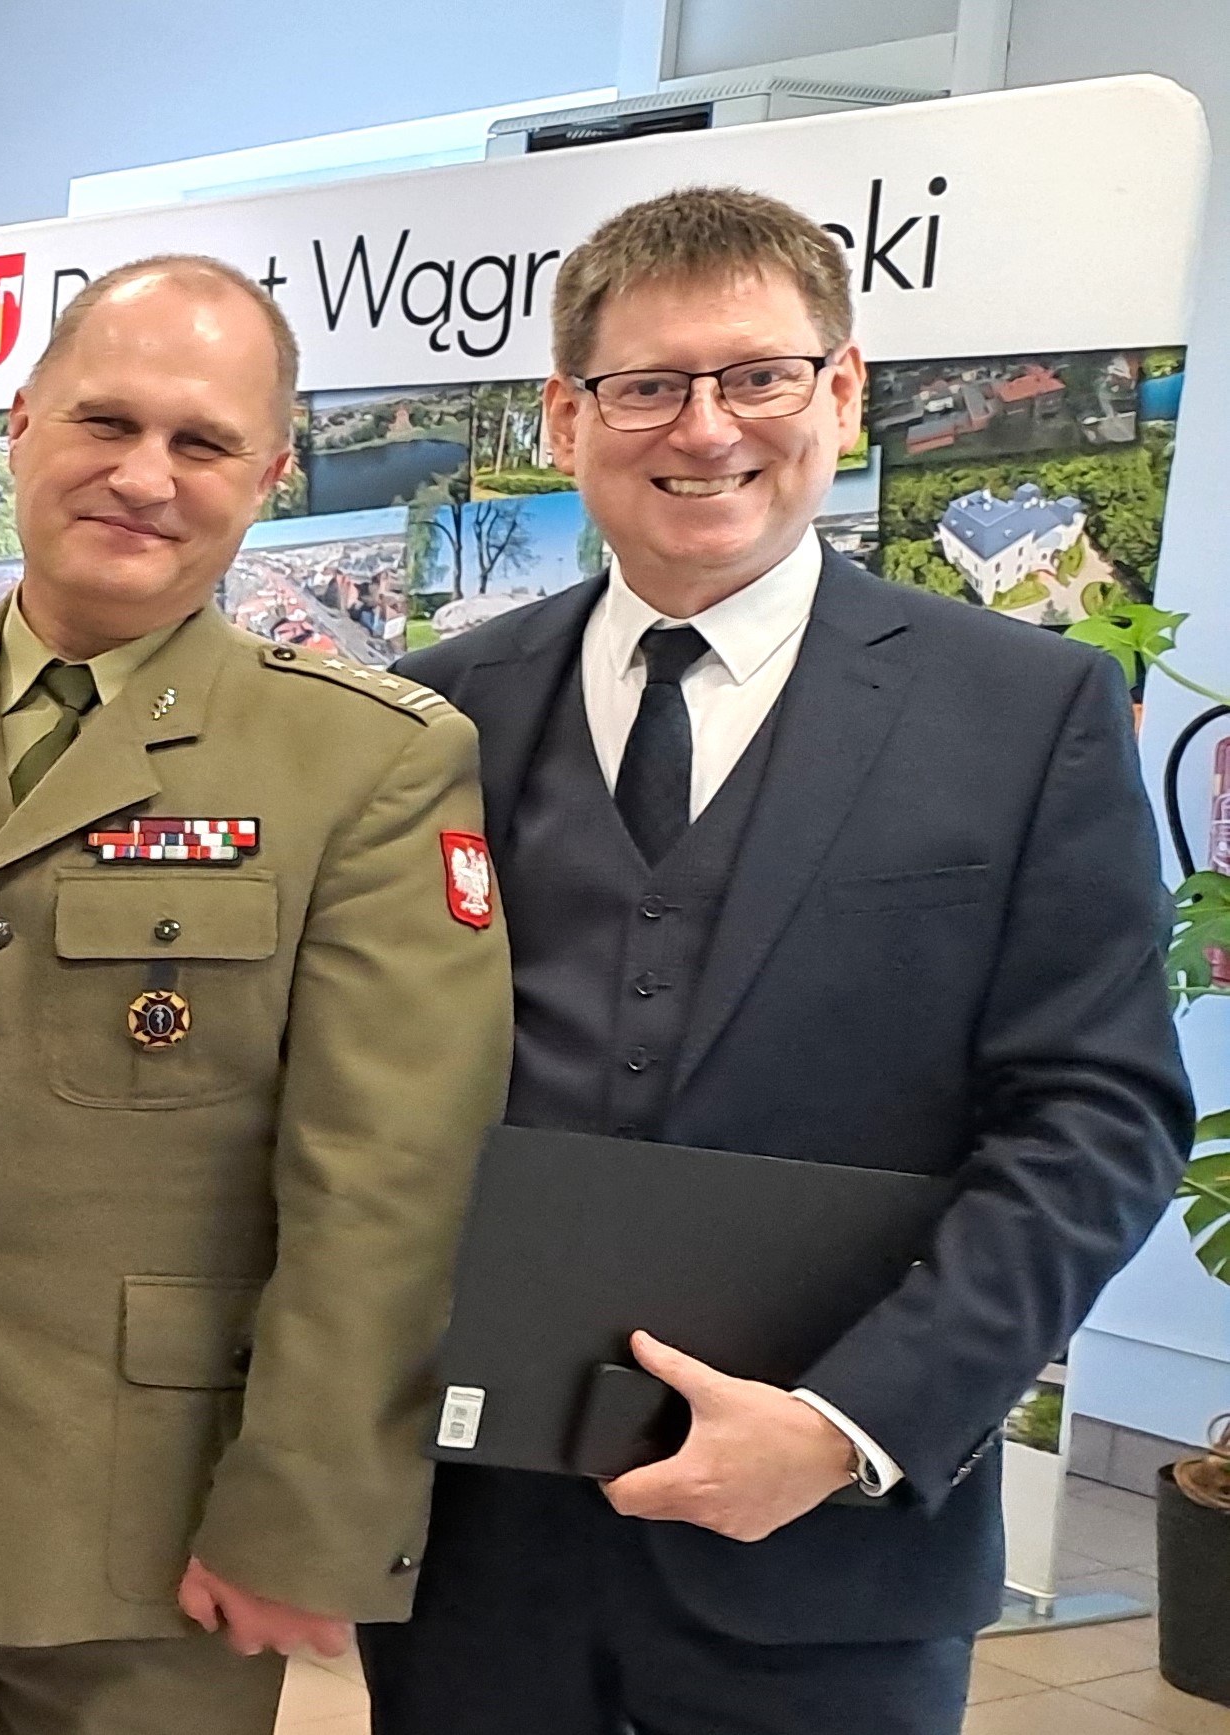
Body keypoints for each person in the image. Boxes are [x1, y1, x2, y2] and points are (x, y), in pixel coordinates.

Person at [363, 187, 1193, 1735]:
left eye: (757, 375)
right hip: (473, 1555)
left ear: (841, 390)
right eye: (644, 385)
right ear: (564, 415)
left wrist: (844, 1421)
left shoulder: (1024, 714)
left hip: (829, 1563)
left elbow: (1095, 1119)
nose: (704, 428)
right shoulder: (432, 714)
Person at [0, 256, 511, 1735]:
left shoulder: (362, 762)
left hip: (149, 1517)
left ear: (271, 475)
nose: (142, 476)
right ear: (20, 423)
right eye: (103, 421)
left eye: (202, 442)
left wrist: (303, 1512)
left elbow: (385, 1181)